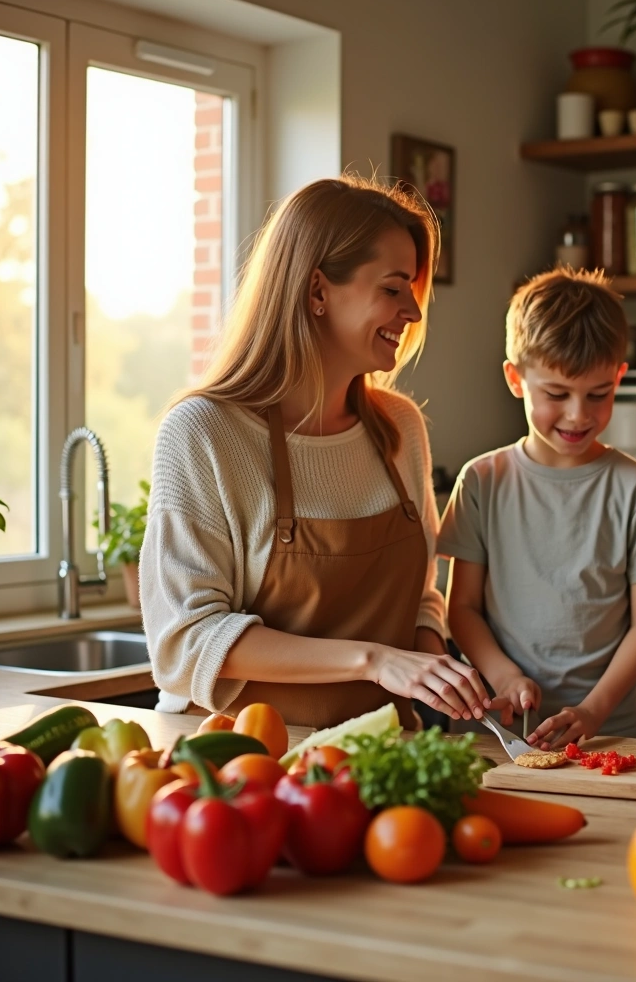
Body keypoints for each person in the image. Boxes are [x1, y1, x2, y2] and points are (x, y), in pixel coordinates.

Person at [142, 175, 491, 729]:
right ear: (318, 292)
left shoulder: (401, 430)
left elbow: (420, 595)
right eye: (393, 288)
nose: (414, 313)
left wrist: (435, 666)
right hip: (242, 762)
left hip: (384, 751)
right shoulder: (204, 433)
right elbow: (186, 641)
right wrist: (374, 660)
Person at [438, 268, 636, 749]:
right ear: (516, 379)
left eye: (599, 394)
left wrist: (596, 709)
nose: (579, 414)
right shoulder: (481, 481)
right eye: (556, 394)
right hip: (494, 729)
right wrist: (504, 675)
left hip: (607, 734)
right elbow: (463, 608)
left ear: (620, 376)